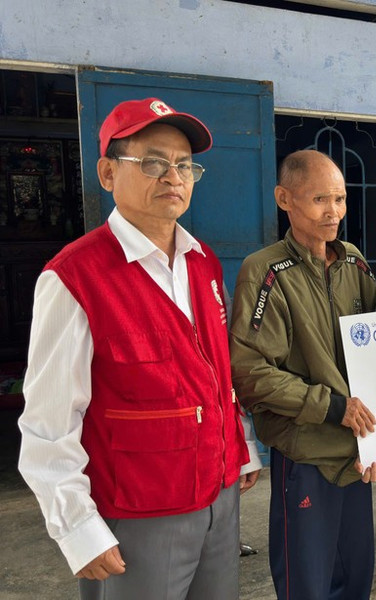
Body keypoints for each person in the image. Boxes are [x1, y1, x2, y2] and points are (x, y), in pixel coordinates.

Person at [17, 97, 262, 599]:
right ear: (108, 173)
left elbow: (216, 370)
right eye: (152, 162)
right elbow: (48, 420)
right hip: (138, 511)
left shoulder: (202, 261)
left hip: (219, 496)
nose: (173, 176)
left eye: (185, 165)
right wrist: (77, 528)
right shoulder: (74, 277)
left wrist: (241, 449)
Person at [229, 149, 376, 600]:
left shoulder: (353, 262)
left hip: (359, 454)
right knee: (308, 585)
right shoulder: (264, 271)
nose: (334, 211)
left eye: (339, 199)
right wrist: (334, 407)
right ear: (285, 198)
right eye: (320, 198)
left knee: (356, 579)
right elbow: (251, 372)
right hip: (306, 453)